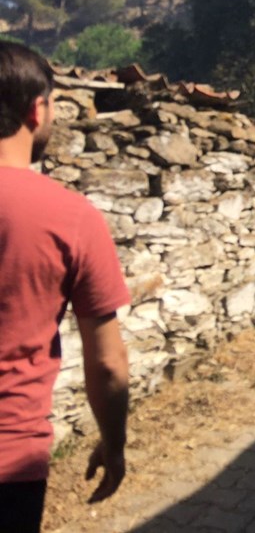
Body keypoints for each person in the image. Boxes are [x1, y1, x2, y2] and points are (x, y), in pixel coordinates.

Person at [0, 42, 131, 533]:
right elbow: (108, 362)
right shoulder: (71, 217)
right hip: (10, 461)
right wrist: (113, 443)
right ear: (37, 109)